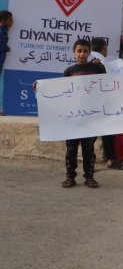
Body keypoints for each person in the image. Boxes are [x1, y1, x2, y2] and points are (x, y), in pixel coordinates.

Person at [39, 39, 107, 188]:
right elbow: (62, 92)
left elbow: (109, 84)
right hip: (72, 118)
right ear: (74, 52)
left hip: (90, 117)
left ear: (90, 52)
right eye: (79, 51)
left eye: (85, 51)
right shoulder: (69, 71)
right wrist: (40, 88)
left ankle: (89, 177)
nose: (82, 54)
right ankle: (70, 177)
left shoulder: (97, 68)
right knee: (71, 149)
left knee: (88, 150)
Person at [90, 37, 123, 171]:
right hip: (99, 106)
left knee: (108, 134)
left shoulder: (99, 63)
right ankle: (90, 163)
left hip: (104, 105)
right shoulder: (100, 65)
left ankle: (111, 160)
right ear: (103, 49)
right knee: (93, 135)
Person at [0, 10, 13, 115]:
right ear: (2, 21)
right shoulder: (1, 31)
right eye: (10, 20)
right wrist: (6, 48)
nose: (12, 22)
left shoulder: (4, 31)